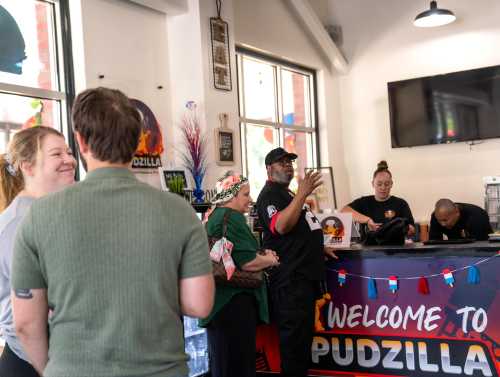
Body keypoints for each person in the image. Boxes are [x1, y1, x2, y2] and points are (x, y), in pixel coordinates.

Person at [11, 87, 215, 377]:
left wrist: (54, 370)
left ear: (80, 142)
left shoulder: (38, 216)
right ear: (136, 143)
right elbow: (200, 303)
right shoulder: (179, 212)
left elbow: (25, 324)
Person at [0, 126, 76, 377]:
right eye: (56, 154)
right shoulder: (18, 224)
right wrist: (48, 369)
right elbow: (25, 319)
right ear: (27, 166)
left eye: (68, 151)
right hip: (32, 363)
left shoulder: (53, 214)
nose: (69, 159)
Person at [255, 147, 336, 377]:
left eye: (290, 162)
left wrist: (318, 247)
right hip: (290, 283)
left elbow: (300, 230)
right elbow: (281, 226)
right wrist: (302, 193)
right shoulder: (270, 195)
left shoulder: (287, 193)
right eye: (282, 162)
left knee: (301, 347)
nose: (288, 165)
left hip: (303, 280)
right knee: (293, 348)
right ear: (269, 169)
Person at [200, 172, 279, 377]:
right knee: (238, 366)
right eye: (245, 194)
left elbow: (236, 254)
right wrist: (270, 260)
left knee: (223, 364)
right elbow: (248, 262)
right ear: (231, 196)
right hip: (233, 304)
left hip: (217, 304)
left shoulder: (215, 215)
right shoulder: (232, 218)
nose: (250, 200)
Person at [341, 160, 416, 236]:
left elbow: (412, 231)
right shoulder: (364, 202)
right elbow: (344, 211)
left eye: (386, 184)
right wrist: (367, 220)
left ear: (391, 184)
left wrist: (402, 228)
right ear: (373, 184)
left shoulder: (401, 203)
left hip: (394, 246)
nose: (383, 188)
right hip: (368, 246)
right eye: (379, 184)